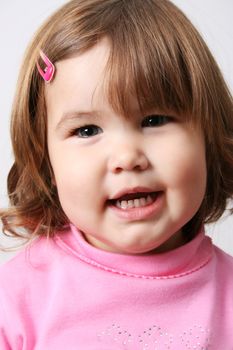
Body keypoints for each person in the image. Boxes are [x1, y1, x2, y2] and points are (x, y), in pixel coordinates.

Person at [0, 0, 233, 348]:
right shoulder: (14, 300)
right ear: (45, 162)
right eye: (87, 130)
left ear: (209, 136)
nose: (127, 157)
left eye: (154, 120)